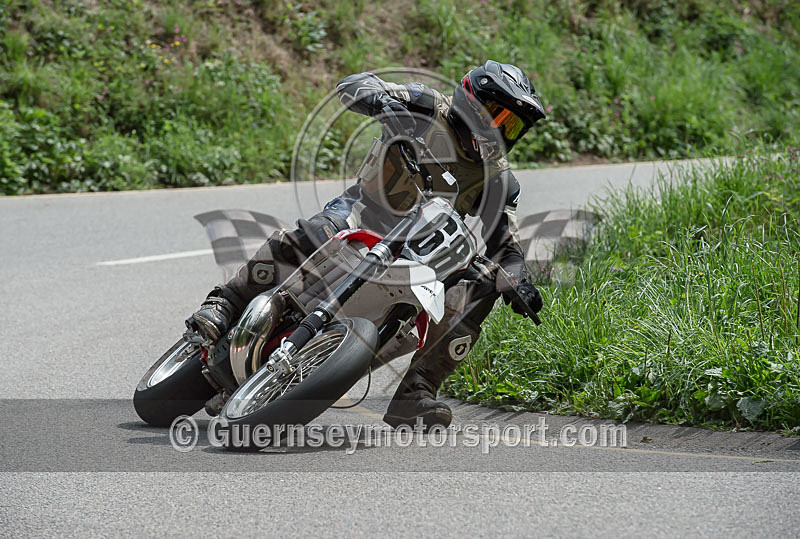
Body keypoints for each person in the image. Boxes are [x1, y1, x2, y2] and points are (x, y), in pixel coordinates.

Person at [187, 60, 547, 429]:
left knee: (482, 287)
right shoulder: (425, 104)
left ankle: (416, 392)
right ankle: (225, 301)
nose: (502, 130)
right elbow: (354, 83)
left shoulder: (500, 178)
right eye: (498, 116)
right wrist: (378, 100)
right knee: (320, 230)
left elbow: (508, 246)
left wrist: (519, 280)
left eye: (513, 125)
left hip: (421, 251)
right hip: (364, 211)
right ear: (471, 101)